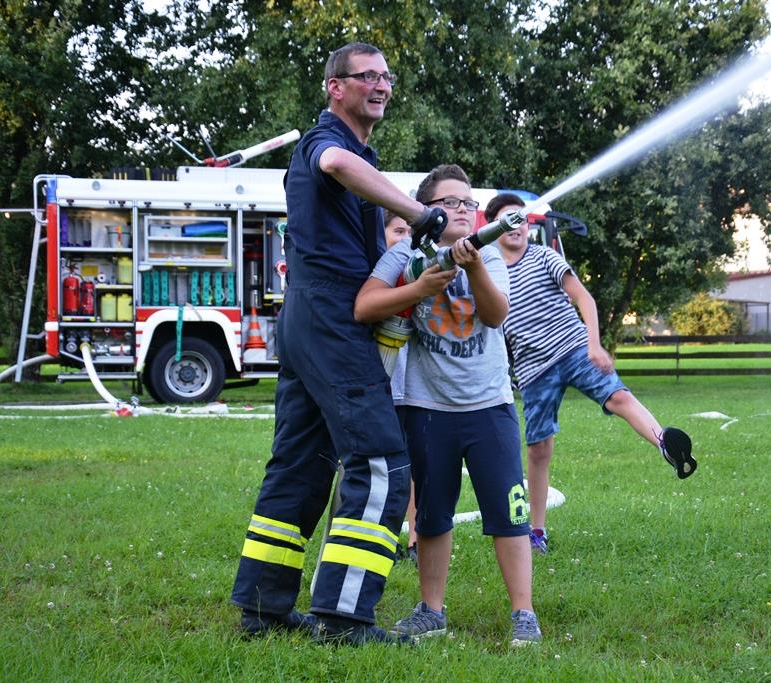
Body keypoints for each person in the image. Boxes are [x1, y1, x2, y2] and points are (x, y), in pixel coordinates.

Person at [230, 42, 450, 644]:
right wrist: (419, 212)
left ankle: (262, 607)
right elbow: (336, 168)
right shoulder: (326, 143)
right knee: (381, 463)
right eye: (367, 76)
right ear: (335, 87)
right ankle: (343, 618)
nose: (381, 85)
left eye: (387, 75)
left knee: (300, 464)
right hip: (330, 317)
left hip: (309, 318)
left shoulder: (360, 151)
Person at [355, 165, 542, 647]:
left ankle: (523, 611)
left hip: (489, 407)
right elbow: (365, 305)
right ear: (426, 212)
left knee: (509, 511)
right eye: (449, 202)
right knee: (431, 515)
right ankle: (431, 610)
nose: (462, 209)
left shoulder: (492, 254)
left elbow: (496, 314)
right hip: (426, 407)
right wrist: (418, 288)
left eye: (467, 202)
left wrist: (474, 264)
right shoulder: (404, 253)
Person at [487, 193, 696, 555]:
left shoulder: (545, 257)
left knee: (618, 397)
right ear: (493, 227)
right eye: (508, 219)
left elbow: (584, 298)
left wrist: (595, 344)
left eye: (521, 219)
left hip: (574, 348)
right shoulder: (489, 273)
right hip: (534, 370)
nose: (516, 226)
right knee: (538, 449)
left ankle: (664, 442)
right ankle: (536, 532)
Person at [382, 209, 419, 565]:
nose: (406, 237)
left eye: (411, 231)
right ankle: (384, 538)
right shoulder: (378, 280)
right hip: (383, 388)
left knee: (415, 468)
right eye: (398, 230)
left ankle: (415, 539)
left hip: (415, 390)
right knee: (386, 469)